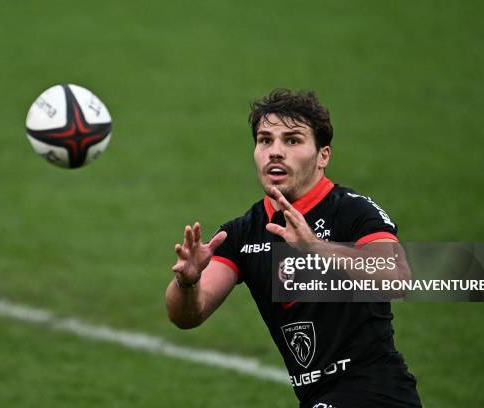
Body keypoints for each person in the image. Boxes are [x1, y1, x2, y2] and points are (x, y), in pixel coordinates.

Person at [165, 89, 422, 407]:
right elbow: (187, 315)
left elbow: (396, 277)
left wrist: (315, 247)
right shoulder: (243, 233)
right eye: (265, 140)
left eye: (292, 140)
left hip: (375, 394)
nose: (275, 152)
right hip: (319, 399)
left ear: (323, 155)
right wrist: (187, 282)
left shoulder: (353, 211)